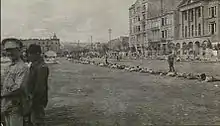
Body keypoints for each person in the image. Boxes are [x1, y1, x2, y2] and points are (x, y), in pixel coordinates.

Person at [1, 38, 30, 126]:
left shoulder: (22, 67)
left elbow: (18, 88)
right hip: (7, 105)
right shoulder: (9, 67)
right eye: (7, 50)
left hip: (16, 107)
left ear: (19, 50)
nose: (9, 53)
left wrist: (2, 94)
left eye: (12, 50)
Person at [26, 44, 49, 126]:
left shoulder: (42, 67)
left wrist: (32, 100)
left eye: (30, 54)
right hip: (32, 99)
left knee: (38, 121)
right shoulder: (34, 65)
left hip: (37, 100)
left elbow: (40, 87)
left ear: (37, 54)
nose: (29, 56)